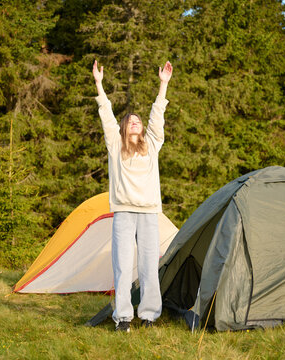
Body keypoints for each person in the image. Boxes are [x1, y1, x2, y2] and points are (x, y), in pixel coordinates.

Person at [92, 59, 173, 332]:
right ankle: (124, 317)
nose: (136, 123)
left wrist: (163, 85)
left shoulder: (152, 144)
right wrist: (99, 85)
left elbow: (157, 116)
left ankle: (149, 315)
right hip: (124, 213)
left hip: (150, 212)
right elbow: (106, 116)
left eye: (139, 121)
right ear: (125, 129)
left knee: (149, 267)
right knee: (123, 267)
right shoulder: (115, 145)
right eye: (132, 121)